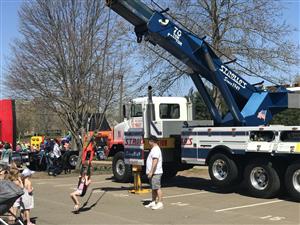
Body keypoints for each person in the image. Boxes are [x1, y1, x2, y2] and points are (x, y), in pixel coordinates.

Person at [145, 135, 164, 210]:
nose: (148, 143)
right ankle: (153, 201)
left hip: (156, 172)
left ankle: (160, 203)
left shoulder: (156, 149)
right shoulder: (154, 149)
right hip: (154, 172)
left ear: (151, 141)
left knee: (157, 188)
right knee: (153, 188)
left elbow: (155, 161)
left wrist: (151, 172)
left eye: (149, 141)